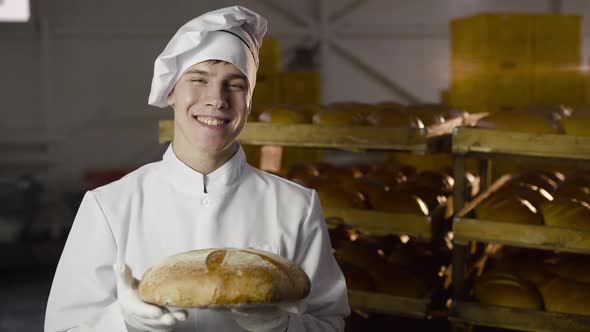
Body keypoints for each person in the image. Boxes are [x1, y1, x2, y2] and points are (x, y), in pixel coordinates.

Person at [44, 5, 350, 332]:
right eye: (198, 79)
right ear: (172, 90)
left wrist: (284, 327)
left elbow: (329, 322)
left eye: (234, 84)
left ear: (249, 100)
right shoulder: (109, 206)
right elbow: (64, 327)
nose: (216, 99)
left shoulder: (296, 206)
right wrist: (124, 323)